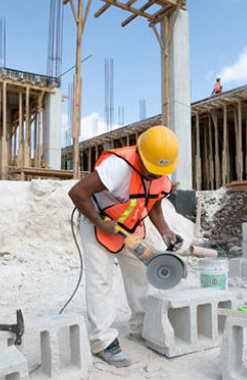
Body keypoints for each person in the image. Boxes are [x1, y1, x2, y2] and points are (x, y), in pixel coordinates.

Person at [68, 125, 182, 367]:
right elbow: (78, 192)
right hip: (99, 221)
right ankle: (102, 341)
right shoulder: (118, 166)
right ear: (140, 154)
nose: (153, 176)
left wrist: (166, 231)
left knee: (141, 273)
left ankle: (141, 327)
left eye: (157, 173)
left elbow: (153, 203)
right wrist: (100, 222)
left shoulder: (160, 170)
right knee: (101, 279)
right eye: (150, 171)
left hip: (129, 228)